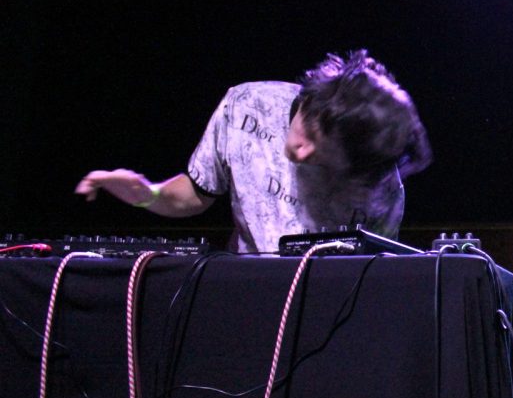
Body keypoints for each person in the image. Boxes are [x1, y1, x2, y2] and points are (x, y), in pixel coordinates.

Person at [75, 49, 432, 253]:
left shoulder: (379, 188)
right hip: (245, 297)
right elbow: (196, 195)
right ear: (313, 99)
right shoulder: (246, 105)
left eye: (323, 154)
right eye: (309, 133)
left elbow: (378, 273)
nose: (303, 153)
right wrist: (145, 194)